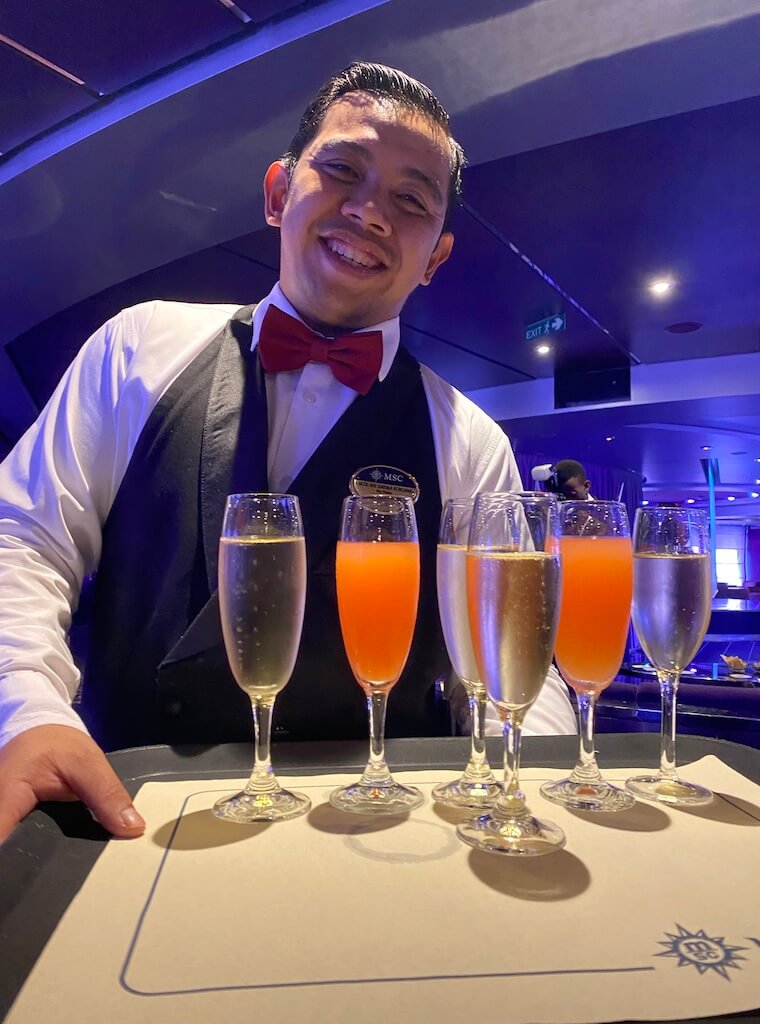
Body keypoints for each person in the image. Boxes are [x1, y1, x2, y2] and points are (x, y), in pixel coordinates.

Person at [0, 62, 575, 844]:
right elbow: (22, 538)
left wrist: (530, 778)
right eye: (342, 169)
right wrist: (26, 708)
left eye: (410, 199)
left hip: (385, 832)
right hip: (130, 810)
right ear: (278, 193)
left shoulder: (471, 439)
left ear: (435, 257)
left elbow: (511, 663)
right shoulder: (136, 347)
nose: (371, 210)